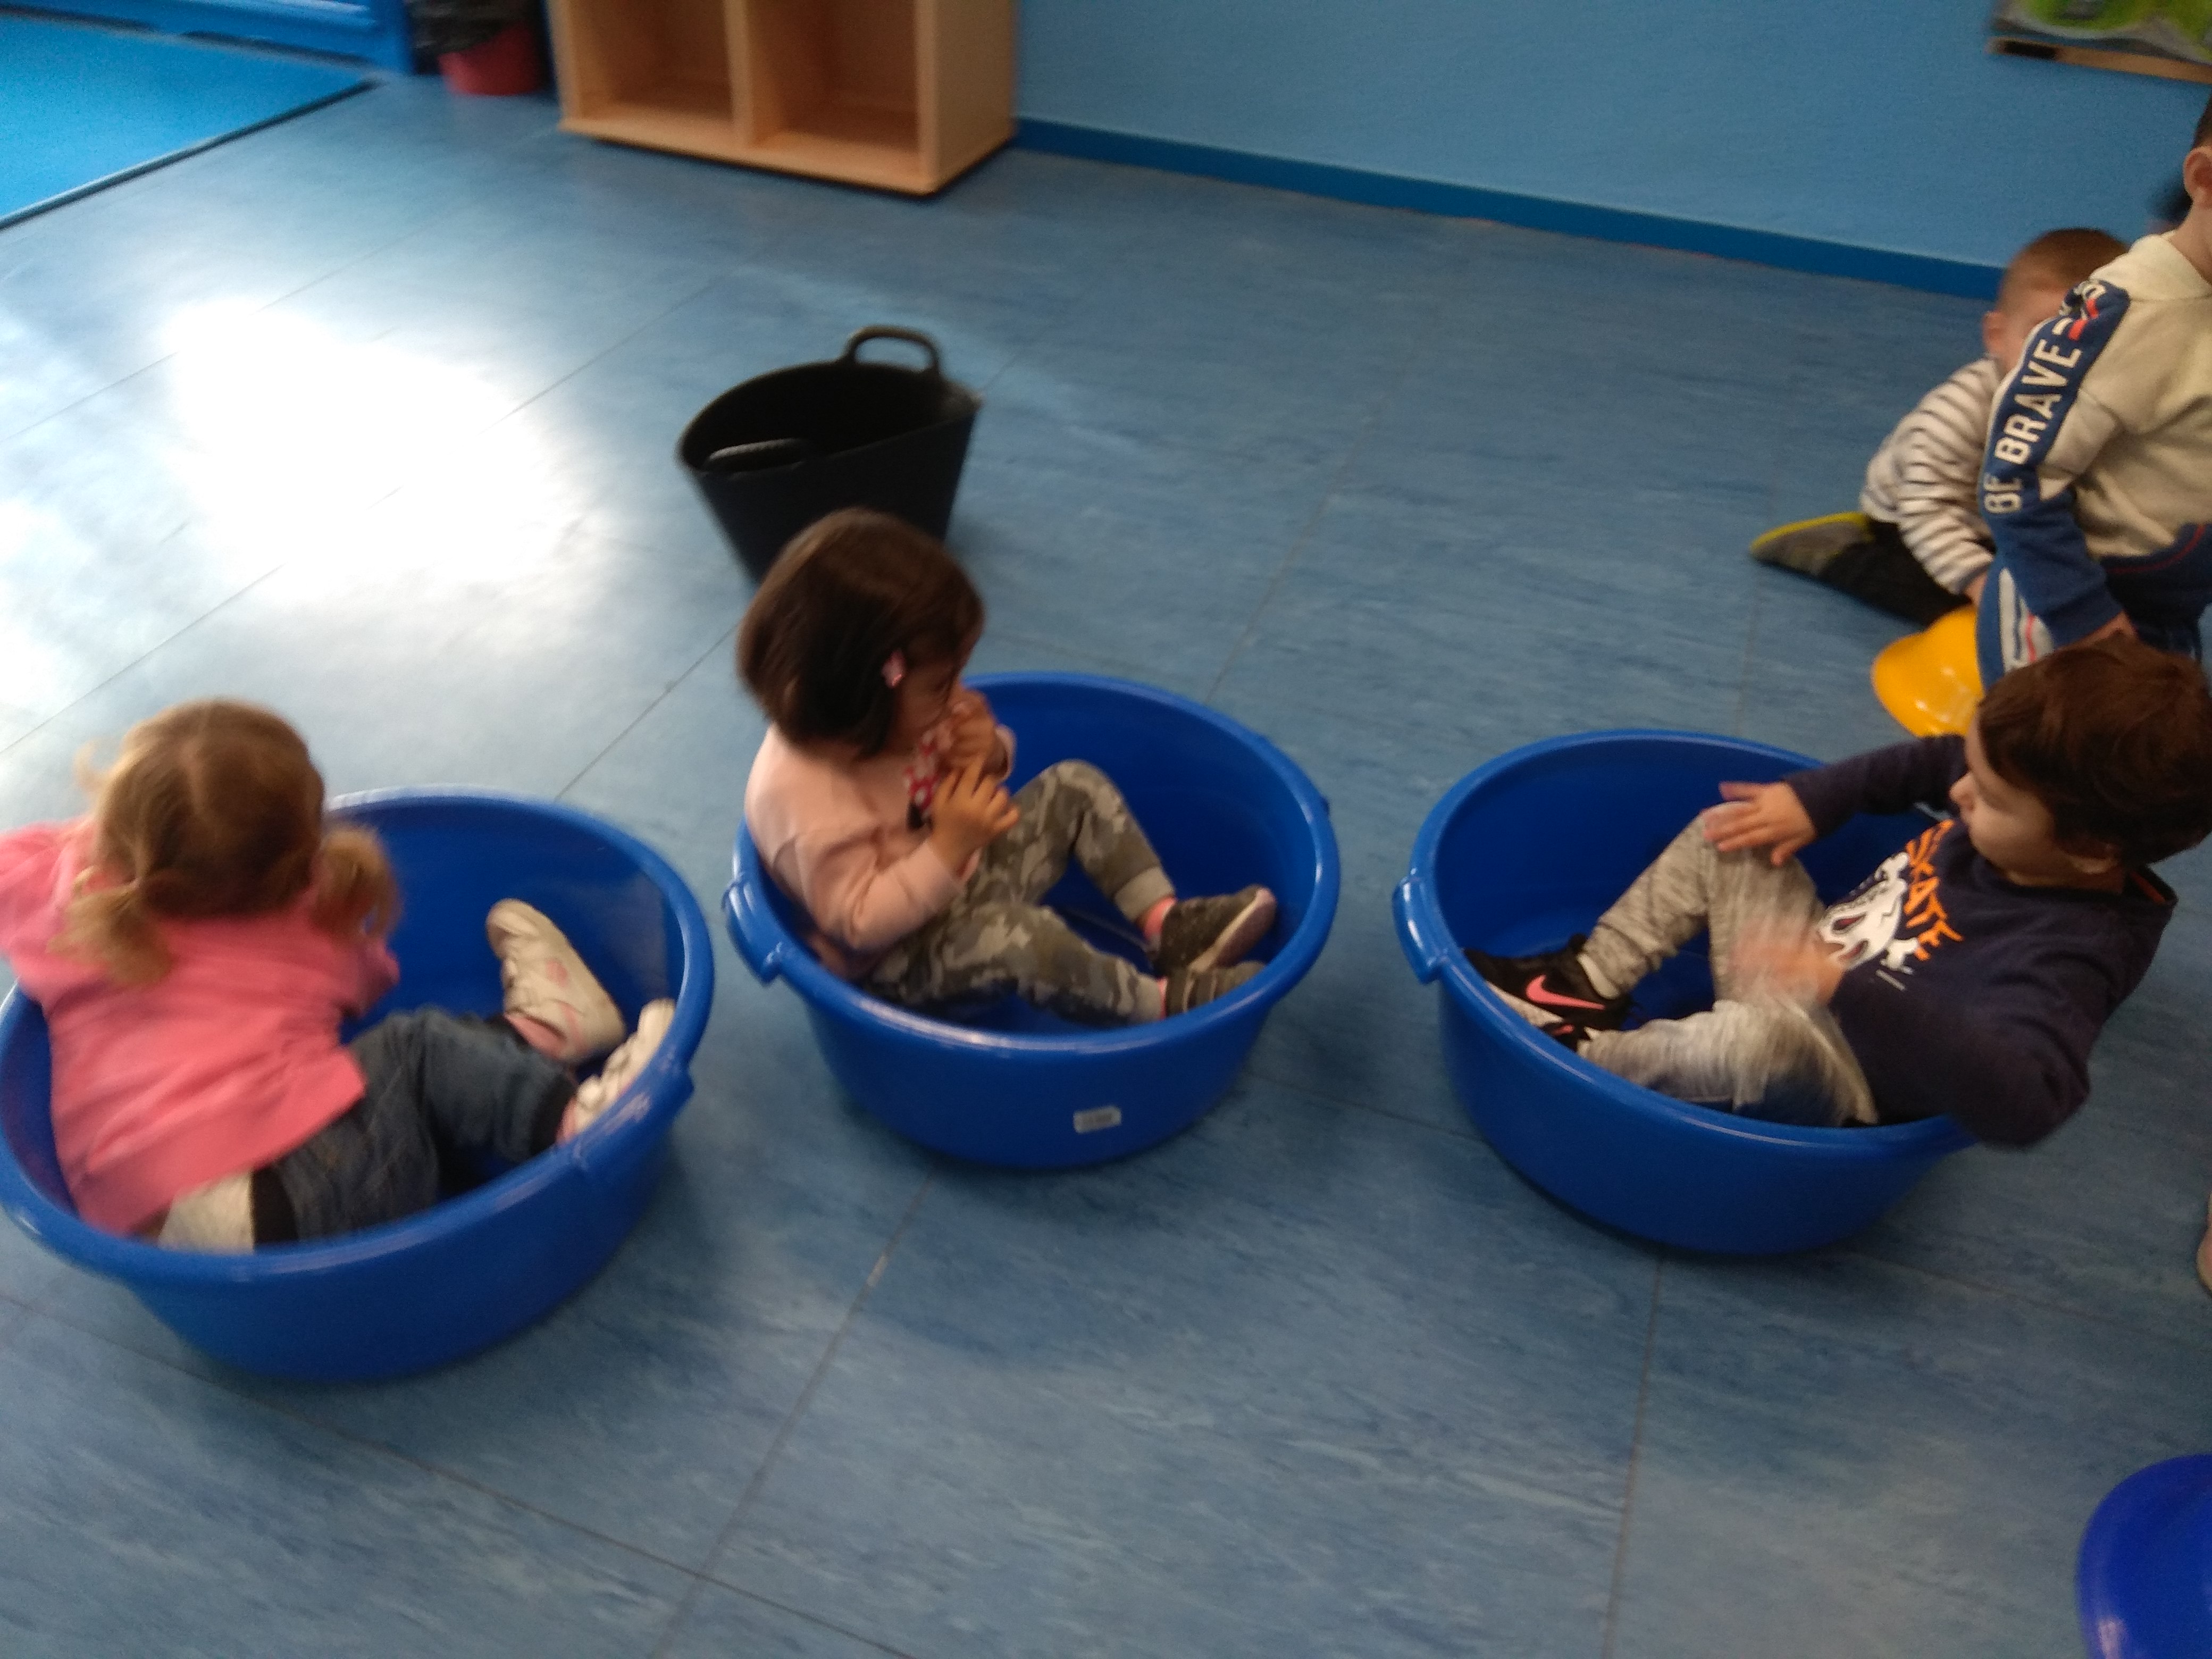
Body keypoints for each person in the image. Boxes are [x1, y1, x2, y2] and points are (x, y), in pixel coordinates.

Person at [1464, 636, 2212, 1149]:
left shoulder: (2072, 955)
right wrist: (1817, 799)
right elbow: (1937, 760)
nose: (1958, 793)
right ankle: (1583, 984)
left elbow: (2029, 1105)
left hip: (1839, 1077)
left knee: (1757, 1046)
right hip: (1811, 968)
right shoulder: (2028, 799)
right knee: (1735, 832)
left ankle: (1586, 1058)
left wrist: (1842, 989)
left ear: (2090, 848)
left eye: (1987, 798)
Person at [0, 700, 673, 1251]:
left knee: (375, 1087)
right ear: (303, 849)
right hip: (290, 1207)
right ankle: (575, 1119)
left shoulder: (61, 887)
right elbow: (371, 986)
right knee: (418, 1051)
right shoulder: (313, 919)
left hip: (147, 1230)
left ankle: (547, 1033)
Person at [741, 509, 1276, 1025]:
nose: (957, 696)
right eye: (940, 685)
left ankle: (1166, 926)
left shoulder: (887, 719)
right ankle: (1155, 1007)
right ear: (863, 695)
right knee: (1023, 941)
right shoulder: (811, 807)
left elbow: (973, 789)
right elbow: (859, 923)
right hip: (899, 965)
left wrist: (987, 754)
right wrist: (946, 847)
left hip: (958, 877)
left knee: (1074, 785)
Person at [1749, 228, 2126, 626]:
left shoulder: (2114, 404)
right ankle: (1838, 553)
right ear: (1997, 336)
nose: (2066, 363)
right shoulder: (1961, 409)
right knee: (1945, 601)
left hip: (2021, 519)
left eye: (2093, 342)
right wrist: (1979, 582)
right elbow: (1927, 508)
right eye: (2042, 339)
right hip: (1918, 517)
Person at [1976, 93, 2212, 684]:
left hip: (2171, 610)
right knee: (2039, 751)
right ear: (2204, 180)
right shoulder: (2128, 312)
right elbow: (2014, 475)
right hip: (2066, 612)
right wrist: (2082, 617)